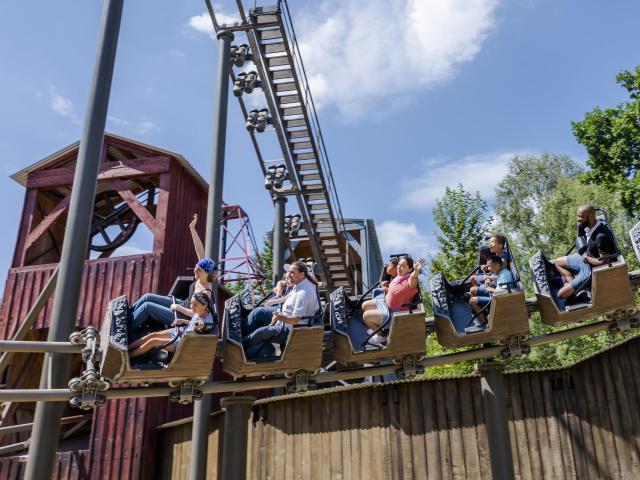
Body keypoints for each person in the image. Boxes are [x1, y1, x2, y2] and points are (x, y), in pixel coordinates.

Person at [128, 213, 217, 331]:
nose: (195, 270)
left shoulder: (206, 292)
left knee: (147, 307)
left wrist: (177, 308)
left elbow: (197, 315)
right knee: (147, 297)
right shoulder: (203, 275)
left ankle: (125, 329)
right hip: (181, 303)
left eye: (198, 270)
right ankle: (125, 317)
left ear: (206, 273)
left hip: (183, 314)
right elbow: (199, 250)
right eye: (196, 267)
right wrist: (192, 228)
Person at [242, 261, 320, 360]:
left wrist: (279, 317)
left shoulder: (303, 294)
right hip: (283, 314)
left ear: (301, 274)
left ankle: (239, 348)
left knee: (260, 333)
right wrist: (272, 302)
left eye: (292, 272)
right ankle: (240, 333)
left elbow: (295, 320)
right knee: (258, 312)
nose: (288, 274)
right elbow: (289, 296)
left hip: (289, 328)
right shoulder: (301, 283)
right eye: (289, 272)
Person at [553, 204, 617, 300]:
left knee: (560, 295)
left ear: (591, 216)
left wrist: (587, 258)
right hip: (583, 257)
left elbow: (604, 262)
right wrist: (583, 255)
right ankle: (576, 290)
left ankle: (575, 287)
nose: (578, 219)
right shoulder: (586, 225)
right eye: (578, 216)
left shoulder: (601, 237)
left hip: (589, 268)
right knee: (557, 262)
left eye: (581, 217)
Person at [128, 291, 215, 359]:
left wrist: (195, 328)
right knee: (152, 335)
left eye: (195, 305)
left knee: (153, 341)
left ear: (204, 305)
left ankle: (128, 357)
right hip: (180, 331)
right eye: (191, 303)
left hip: (183, 342)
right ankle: (126, 348)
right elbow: (193, 323)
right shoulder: (201, 311)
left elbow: (199, 327)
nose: (192, 307)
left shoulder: (205, 323)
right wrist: (182, 320)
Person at [361, 255, 424, 345]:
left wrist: (416, 271)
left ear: (410, 269)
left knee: (366, 316)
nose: (399, 267)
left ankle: (381, 336)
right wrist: (387, 289)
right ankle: (377, 326)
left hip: (393, 313)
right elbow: (394, 289)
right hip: (385, 302)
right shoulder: (399, 277)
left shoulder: (410, 281)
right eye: (399, 265)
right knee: (364, 305)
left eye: (403, 266)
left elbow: (413, 277)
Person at [466, 254, 517, 333]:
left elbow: (505, 292)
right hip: (495, 295)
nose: (488, 269)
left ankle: (484, 322)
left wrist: (491, 289)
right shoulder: (501, 272)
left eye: (490, 266)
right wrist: (490, 278)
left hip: (499, 300)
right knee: (473, 290)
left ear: (497, 265)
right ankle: (480, 309)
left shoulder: (505, 275)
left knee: (472, 300)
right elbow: (497, 279)